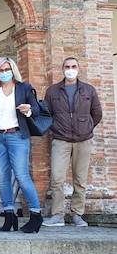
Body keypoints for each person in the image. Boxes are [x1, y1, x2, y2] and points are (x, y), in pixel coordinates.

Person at [0, 57, 43, 233]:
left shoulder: (24, 88)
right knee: (2, 177)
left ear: (13, 70)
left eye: (7, 69)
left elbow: (37, 109)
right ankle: (9, 215)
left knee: (21, 175)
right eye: (0, 70)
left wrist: (28, 110)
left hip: (17, 136)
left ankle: (36, 215)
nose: (4, 73)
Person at [43, 57, 102, 227]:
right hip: (60, 139)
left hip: (83, 140)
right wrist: (56, 127)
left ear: (79, 68)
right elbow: (46, 114)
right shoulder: (53, 91)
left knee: (80, 179)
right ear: (62, 69)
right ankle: (57, 215)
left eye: (73, 66)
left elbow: (96, 113)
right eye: (67, 66)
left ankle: (77, 215)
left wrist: (87, 127)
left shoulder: (88, 90)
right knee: (57, 178)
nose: (70, 69)